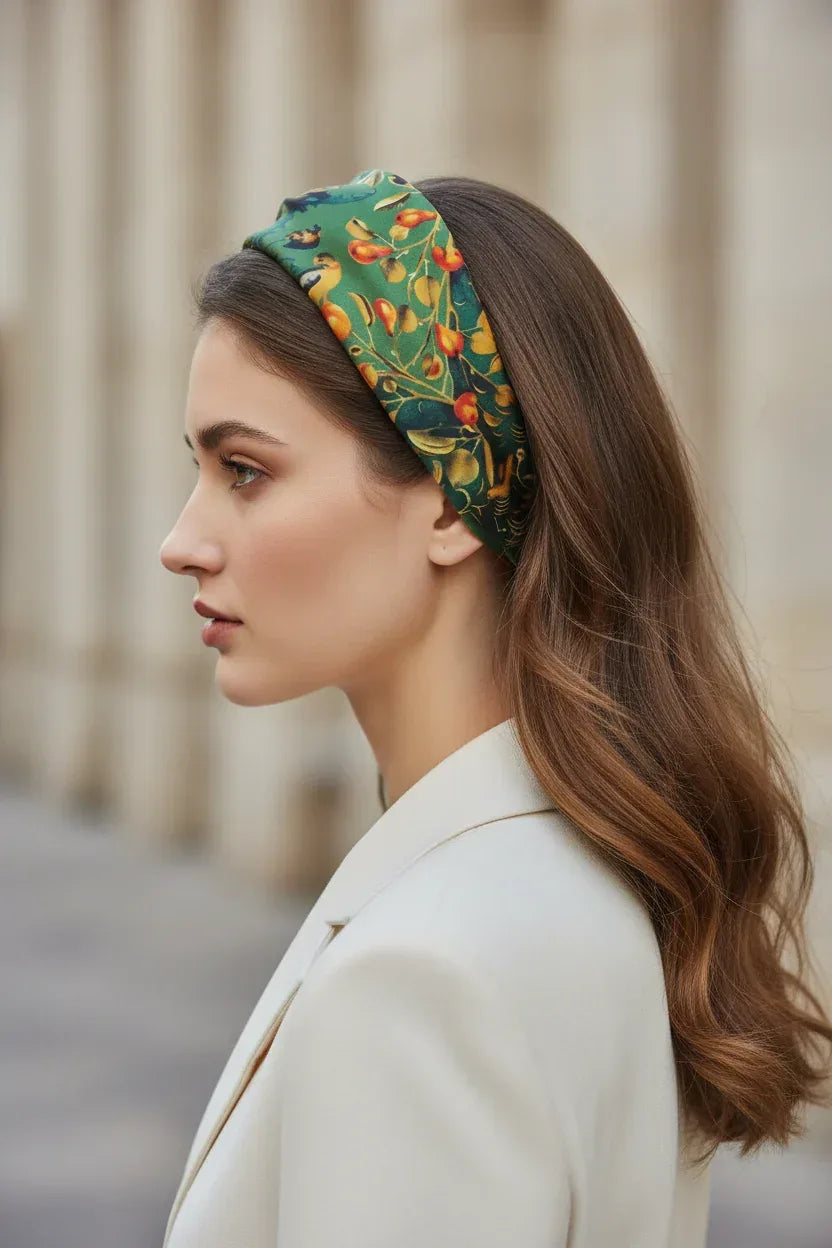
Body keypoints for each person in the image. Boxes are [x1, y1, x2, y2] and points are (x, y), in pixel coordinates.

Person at [158, 168, 832, 1247]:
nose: (180, 539)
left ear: (448, 496)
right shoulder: (590, 879)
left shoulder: (421, 977)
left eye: (244, 470)